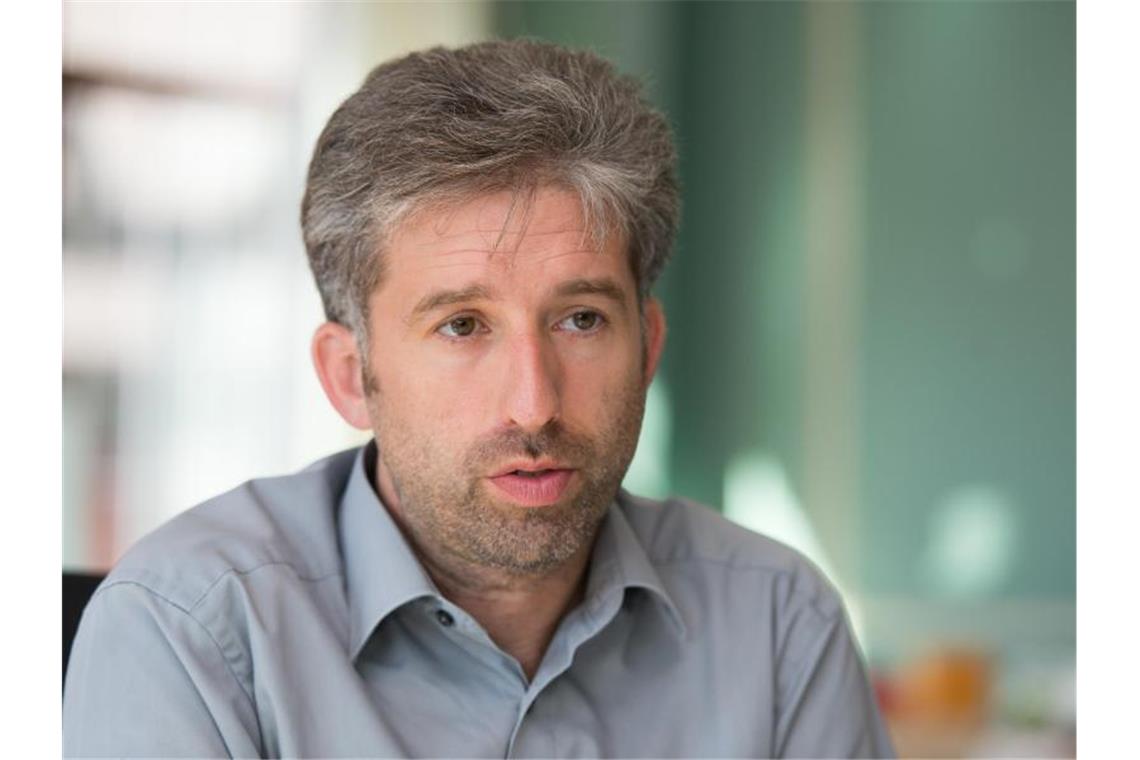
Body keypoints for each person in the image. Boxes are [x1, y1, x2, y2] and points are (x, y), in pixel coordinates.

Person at [63, 39, 894, 758]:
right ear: (351, 376)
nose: (533, 406)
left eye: (579, 319)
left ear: (648, 348)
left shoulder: (781, 624)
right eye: (462, 326)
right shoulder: (189, 631)